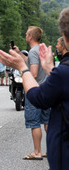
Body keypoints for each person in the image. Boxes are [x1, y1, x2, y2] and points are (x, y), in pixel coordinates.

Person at [0, 7, 69, 170]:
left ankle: (38, 150)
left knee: (35, 120)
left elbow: (38, 97)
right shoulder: (60, 71)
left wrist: (22, 68)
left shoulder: (63, 72)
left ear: (65, 38)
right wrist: (51, 70)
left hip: (66, 161)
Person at [20, 26, 50, 160]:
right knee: (48, 121)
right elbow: (32, 61)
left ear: (30, 37)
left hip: (36, 91)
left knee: (35, 122)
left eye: (27, 34)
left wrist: (25, 79)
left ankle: (37, 151)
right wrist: (20, 55)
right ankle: (52, 150)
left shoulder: (32, 51)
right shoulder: (42, 50)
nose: (26, 36)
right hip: (47, 90)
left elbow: (34, 72)